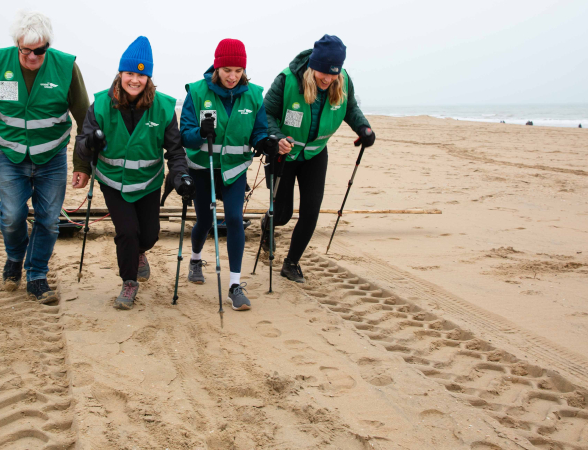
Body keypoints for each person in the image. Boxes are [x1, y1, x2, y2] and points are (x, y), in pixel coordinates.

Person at [0, 10, 91, 304]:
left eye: (40, 51)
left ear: (48, 46)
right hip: (10, 156)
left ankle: (36, 274)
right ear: (17, 44)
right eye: (26, 51)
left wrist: (83, 163)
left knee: (48, 220)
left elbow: (85, 118)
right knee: (12, 217)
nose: (33, 57)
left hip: (52, 156)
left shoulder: (66, 67)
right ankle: (14, 259)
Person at [75, 36, 192, 310]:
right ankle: (129, 282)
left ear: (149, 77)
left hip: (149, 183)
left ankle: (141, 252)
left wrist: (181, 177)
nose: (135, 80)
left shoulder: (163, 107)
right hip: (112, 182)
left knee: (149, 235)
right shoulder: (101, 104)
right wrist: (90, 143)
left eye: (141, 74)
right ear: (120, 74)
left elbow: (175, 152)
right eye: (130, 73)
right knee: (127, 231)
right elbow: (81, 145)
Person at [264, 34, 375, 283]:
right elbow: (266, 113)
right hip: (284, 152)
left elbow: (351, 109)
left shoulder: (343, 82)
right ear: (312, 65)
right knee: (281, 214)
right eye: (323, 72)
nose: (327, 78)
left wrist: (364, 129)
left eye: (333, 73)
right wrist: (276, 137)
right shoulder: (287, 80)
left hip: (315, 153)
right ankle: (267, 227)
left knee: (311, 212)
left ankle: (291, 263)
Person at [180, 39, 276, 311]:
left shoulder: (254, 95)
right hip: (203, 166)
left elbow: (258, 131)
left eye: (238, 70)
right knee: (205, 220)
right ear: (217, 68)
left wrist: (264, 142)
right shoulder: (197, 92)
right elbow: (184, 134)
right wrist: (200, 133)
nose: (232, 77)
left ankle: (235, 286)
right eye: (227, 70)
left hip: (234, 169)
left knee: (234, 219)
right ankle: (196, 259)